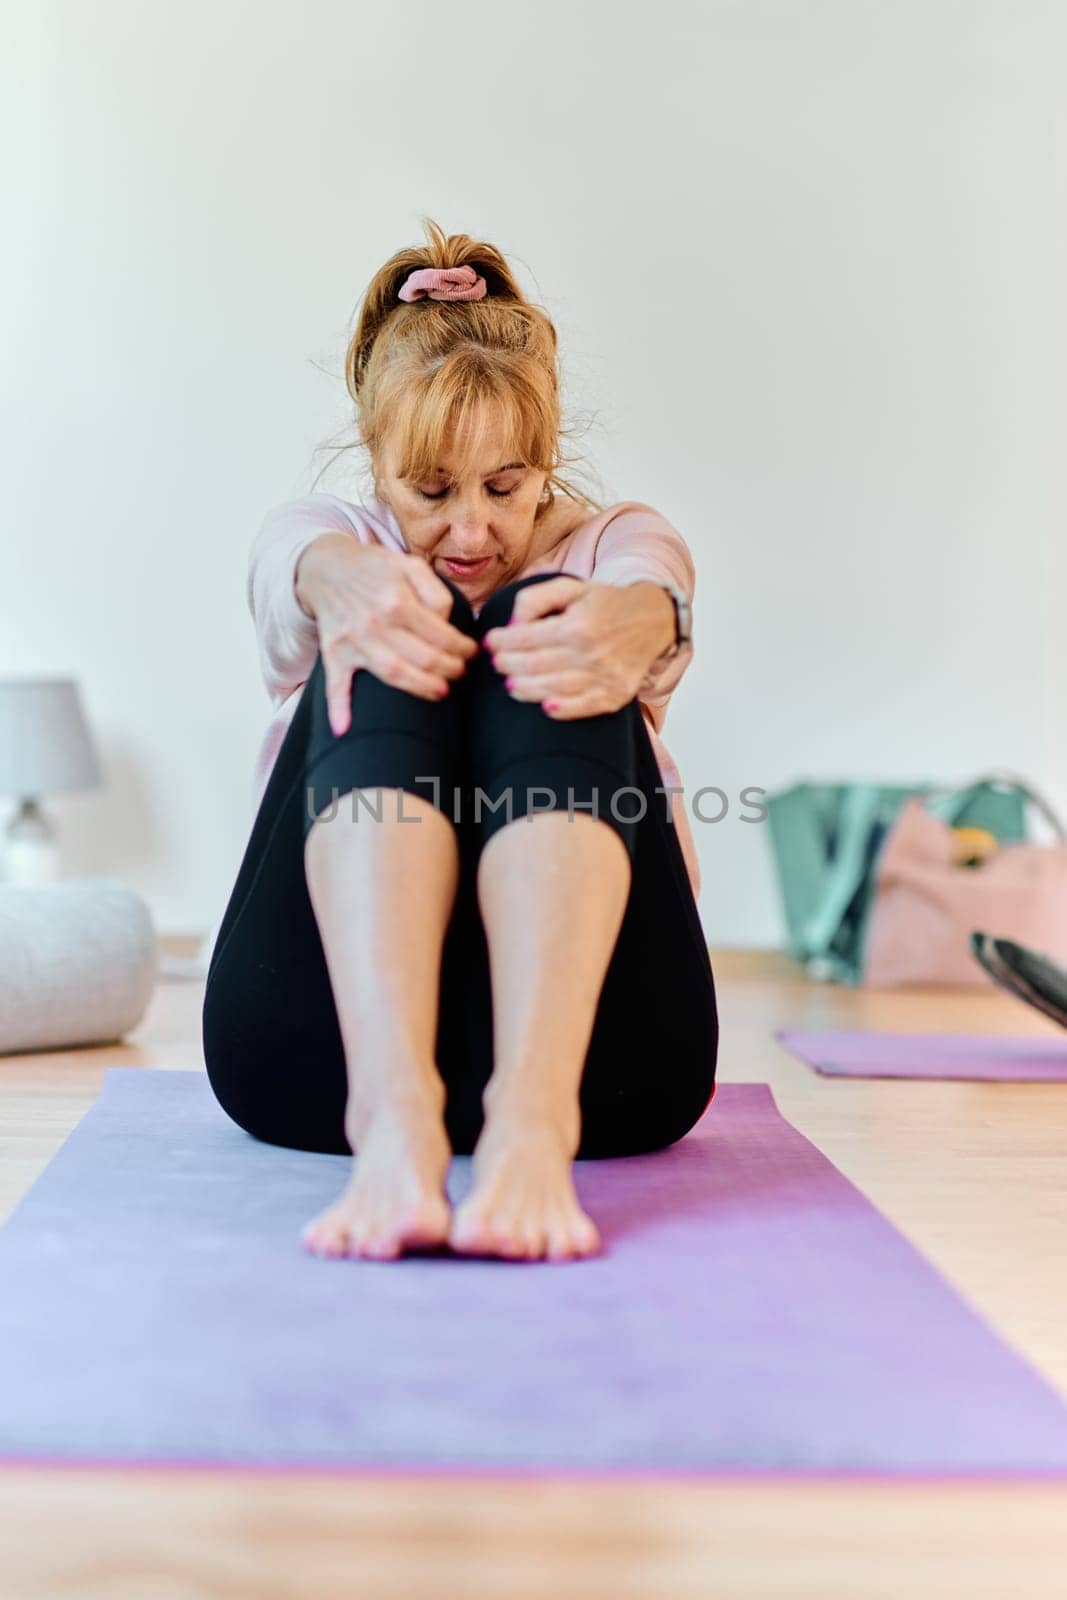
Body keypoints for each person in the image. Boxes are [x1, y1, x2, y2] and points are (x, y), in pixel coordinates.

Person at [201, 218, 719, 1264]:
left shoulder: (608, 540)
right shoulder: (336, 542)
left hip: (605, 1070)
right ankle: (393, 1126)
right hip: (316, 1057)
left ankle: (531, 1127)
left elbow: (656, 572)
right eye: (429, 491)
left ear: (545, 465)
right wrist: (340, 585)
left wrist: (642, 616)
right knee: (400, 619)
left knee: (545, 616)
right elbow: (286, 559)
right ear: (376, 463)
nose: (472, 532)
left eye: (505, 486)